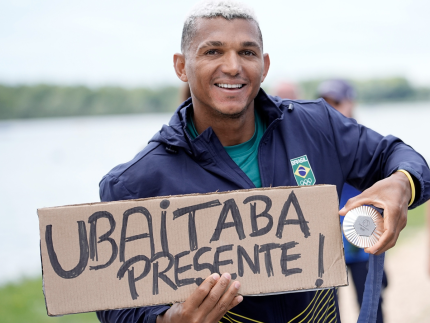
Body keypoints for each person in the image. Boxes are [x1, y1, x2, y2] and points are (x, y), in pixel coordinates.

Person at [97, 1, 430, 322]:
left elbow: (400, 157)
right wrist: (168, 320)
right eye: (213, 51)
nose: (232, 66)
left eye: (247, 52)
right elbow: (114, 308)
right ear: (181, 66)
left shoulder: (318, 126)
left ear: (264, 65)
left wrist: (402, 183)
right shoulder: (134, 183)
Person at [318, 79, 387, 322]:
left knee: (371, 307)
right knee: (326, 313)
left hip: (363, 241)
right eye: (324, 102)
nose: (330, 108)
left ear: (350, 103)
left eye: (336, 102)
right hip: (324, 247)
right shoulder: (311, 145)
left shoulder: (364, 143)